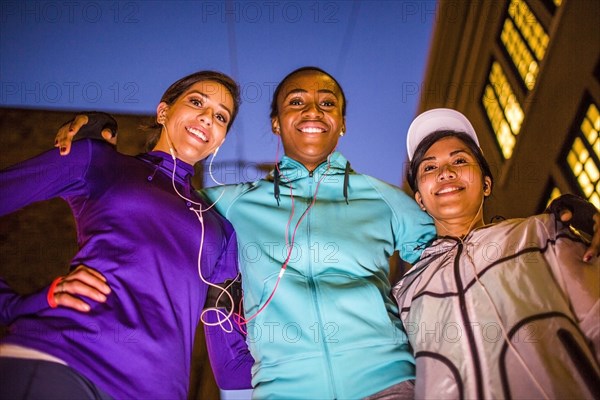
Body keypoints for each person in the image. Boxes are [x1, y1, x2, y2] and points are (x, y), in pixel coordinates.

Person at [54, 67, 600, 399]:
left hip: (391, 388)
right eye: (296, 102)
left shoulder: (392, 200)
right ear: (275, 123)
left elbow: (463, 244)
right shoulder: (226, 204)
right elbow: (153, 196)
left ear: (343, 123)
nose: (312, 110)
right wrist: (100, 131)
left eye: (327, 103)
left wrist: (563, 222)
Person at [0, 71, 253, 399]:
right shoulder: (96, 159)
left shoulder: (220, 230)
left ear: (220, 139)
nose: (207, 117)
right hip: (60, 361)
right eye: (196, 102)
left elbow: (232, 368)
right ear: (163, 111)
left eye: (220, 116)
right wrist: (16, 305)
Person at [393, 108, 600, 399]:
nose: (446, 173)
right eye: (429, 168)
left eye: (460, 160)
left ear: (486, 184)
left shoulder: (541, 233)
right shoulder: (403, 295)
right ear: (420, 201)